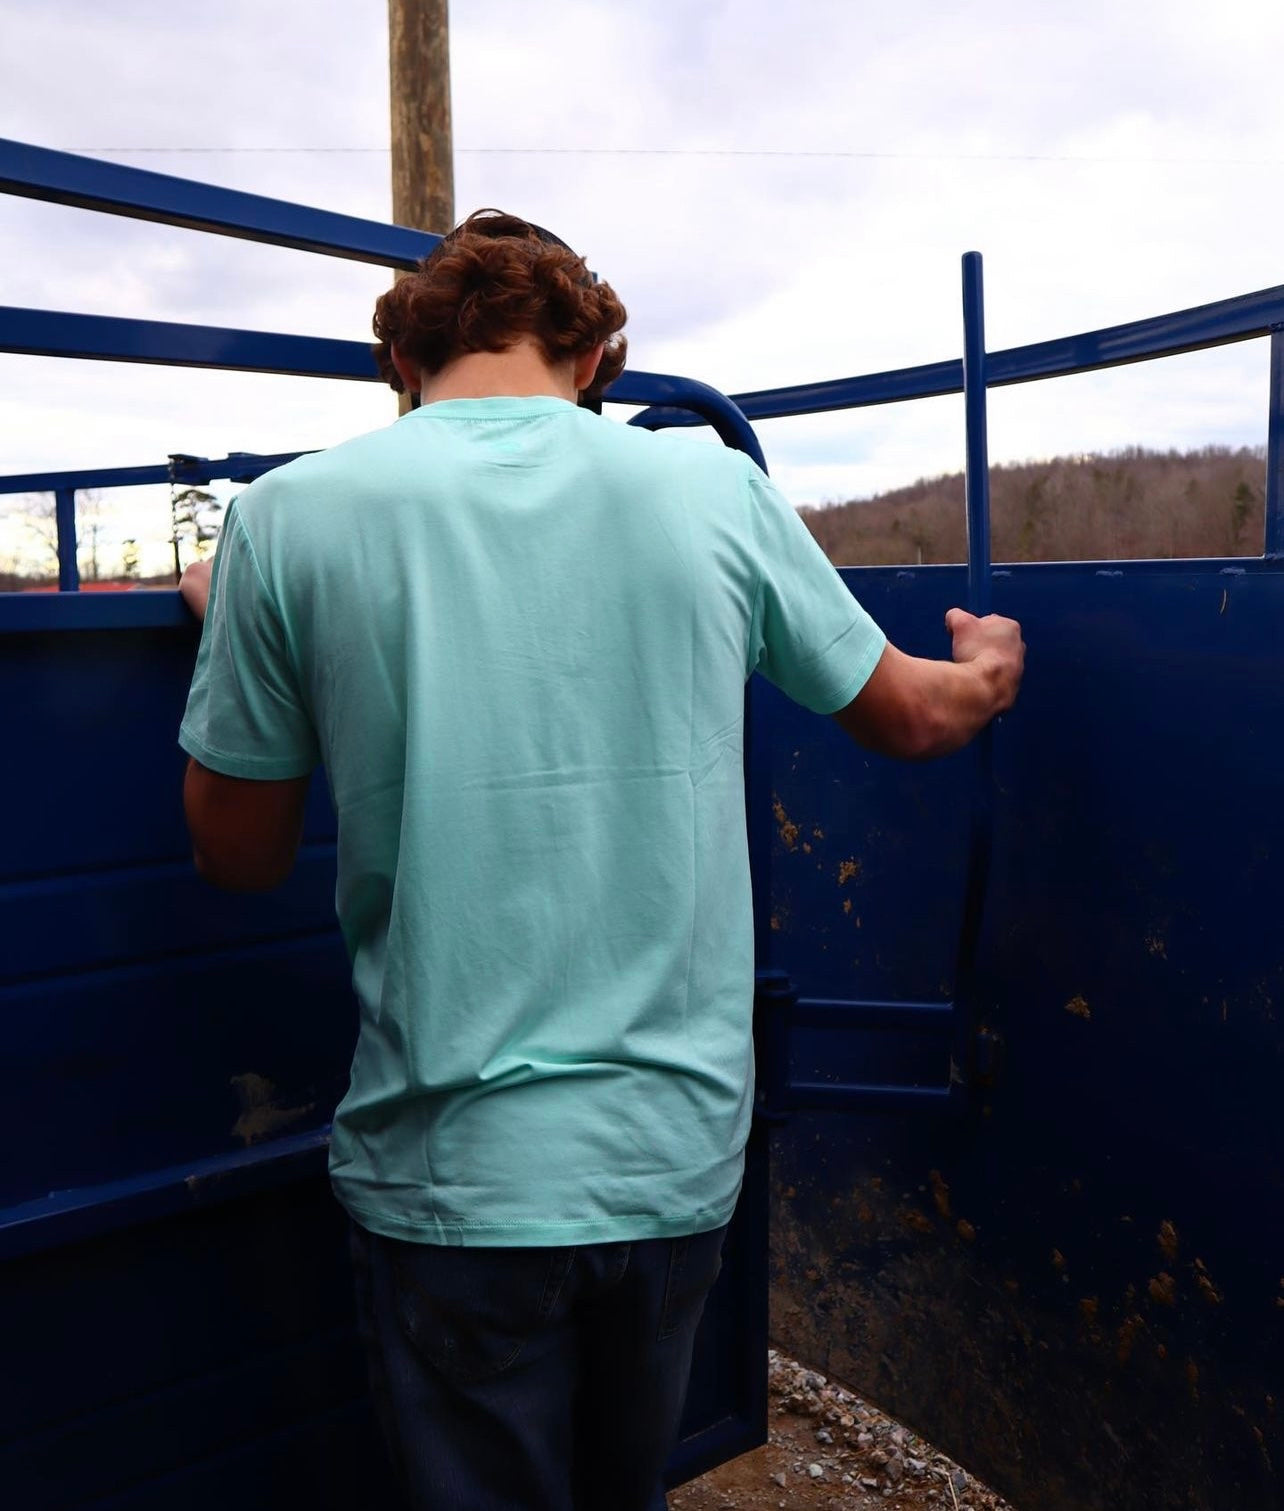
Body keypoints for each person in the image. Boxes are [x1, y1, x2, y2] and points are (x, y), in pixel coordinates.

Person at [178, 209, 1024, 1511]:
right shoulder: (707, 484)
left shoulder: (289, 521)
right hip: (675, 1165)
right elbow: (912, 714)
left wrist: (244, 623)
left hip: (452, 1180)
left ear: (404, 366)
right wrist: (984, 668)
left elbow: (237, 852)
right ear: (589, 360)